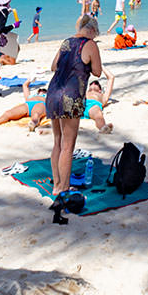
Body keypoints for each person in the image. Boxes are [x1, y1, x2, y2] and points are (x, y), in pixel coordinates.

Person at [45, 15, 104, 213]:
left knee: (57, 141)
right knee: (68, 146)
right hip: (71, 96)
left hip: (53, 93)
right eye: (96, 33)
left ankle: (56, 185)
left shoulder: (66, 42)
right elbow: (97, 72)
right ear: (92, 30)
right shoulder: (90, 45)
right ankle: (62, 187)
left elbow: (54, 67)